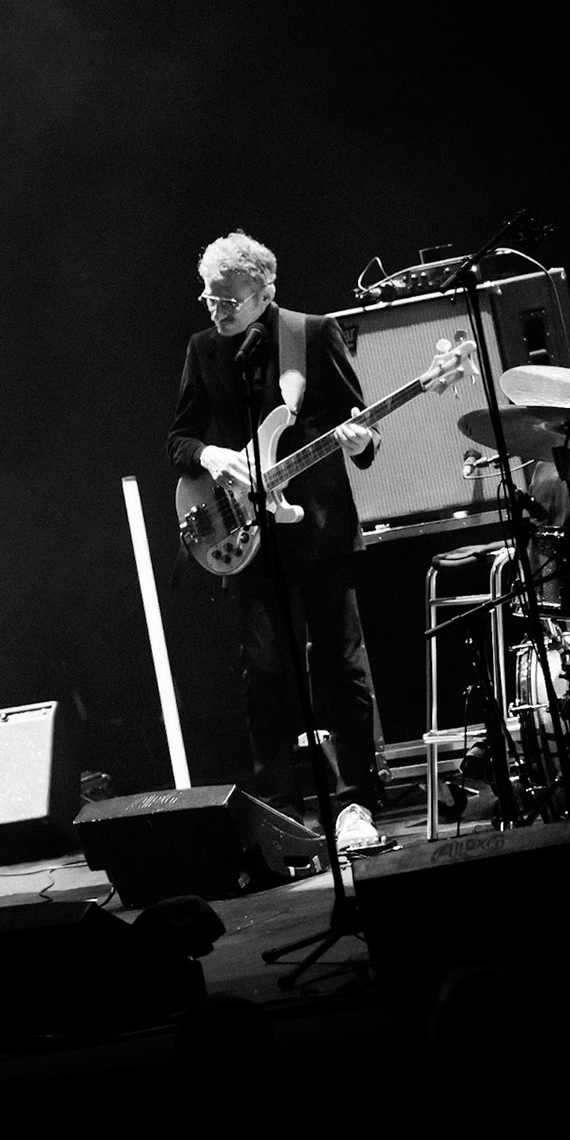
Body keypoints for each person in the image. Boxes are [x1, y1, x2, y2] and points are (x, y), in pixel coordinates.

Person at [167, 231, 389, 851]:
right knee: (263, 671)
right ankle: (278, 807)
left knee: (340, 666)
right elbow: (178, 441)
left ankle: (354, 804)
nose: (216, 311)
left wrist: (361, 441)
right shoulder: (204, 349)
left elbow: (361, 426)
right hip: (244, 533)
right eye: (209, 299)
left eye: (228, 301)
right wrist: (213, 455)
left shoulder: (311, 333)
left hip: (318, 527)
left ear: (265, 294)